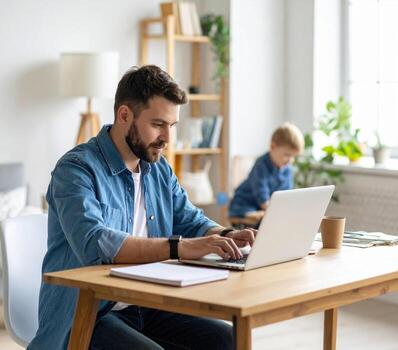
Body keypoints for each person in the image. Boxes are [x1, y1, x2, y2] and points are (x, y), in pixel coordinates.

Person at [28, 65, 256, 350]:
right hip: (90, 313)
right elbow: (95, 243)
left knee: (227, 339)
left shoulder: (158, 168)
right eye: (158, 124)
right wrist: (180, 247)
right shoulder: (76, 169)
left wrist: (225, 234)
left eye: (171, 126)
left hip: (147, 303)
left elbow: (189, 218)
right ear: (125, 115)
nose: (167, 138)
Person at [228, 122, 304, 227]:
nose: (289, 160)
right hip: (245, 203)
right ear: (273, 146)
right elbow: (262, 195)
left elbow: (286, 194)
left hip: (266, 207)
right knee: (263, 219)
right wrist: (275, 212)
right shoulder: (261, 165)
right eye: (287, 155)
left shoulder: (287, 170)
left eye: (293, 157)